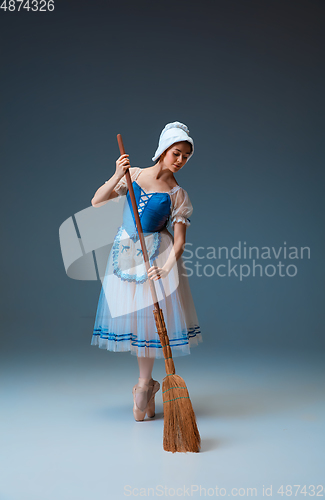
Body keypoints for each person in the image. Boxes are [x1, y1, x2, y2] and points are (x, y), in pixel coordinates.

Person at [90, 121, 203, 421]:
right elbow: (97, 201)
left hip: (157, 258)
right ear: (164, 151)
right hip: (126, 254)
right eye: (176, 153)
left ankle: (144, 385)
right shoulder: (134, 174)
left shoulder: (178, 195)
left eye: (185, 157)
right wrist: (117, 174)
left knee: (151, 322)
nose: (180, 161)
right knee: (140, 321)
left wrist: (166, 269)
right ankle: (147, 385)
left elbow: (179, 242)